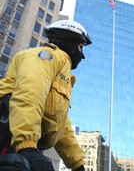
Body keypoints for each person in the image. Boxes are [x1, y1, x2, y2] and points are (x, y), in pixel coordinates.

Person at [0, 20, 92, 171]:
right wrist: (26, 145)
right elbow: (29, 93)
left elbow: (61, 125)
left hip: (23, 141)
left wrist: (77, 165)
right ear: (71, 42)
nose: (82, 56)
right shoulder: (47, 55)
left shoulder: (63, 74)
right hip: (8, 134)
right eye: (81, 47)